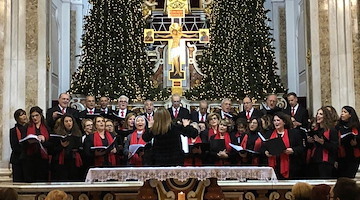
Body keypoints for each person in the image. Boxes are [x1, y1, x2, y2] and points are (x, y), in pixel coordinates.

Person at [265, 112, 304, 179]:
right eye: (274, 121)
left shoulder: (293, 133)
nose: (276, 122)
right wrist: (266, 152)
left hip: (290, 166)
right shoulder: (269, 133)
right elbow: (263, 147)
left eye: (278, 120)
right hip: (274, 165)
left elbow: (301, 148)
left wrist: (292, 150)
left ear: (284, 122)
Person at [306, 107, 338, 178]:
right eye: (317, 114)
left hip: (325, 161)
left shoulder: (331, 130)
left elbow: (335, 147)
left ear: (326, 116)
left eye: (320, 114)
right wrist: (309, 141)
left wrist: (322, 142)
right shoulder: (315, 130)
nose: (318, 115)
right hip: (314, 159)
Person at [49, 114, 83, 181]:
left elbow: (80, 148)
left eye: (70, 121)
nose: (69, 123)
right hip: (61, 163)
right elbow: (51, 150)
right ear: (63, 123)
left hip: (73, 161)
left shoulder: (78, 133)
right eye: (66, 121)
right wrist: (61, 146)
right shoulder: (56, 134)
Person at [22, 106, 50, 182]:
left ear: (41, 115)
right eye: (33, 116)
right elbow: (22, 142)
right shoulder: (27, 127)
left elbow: (51, 143)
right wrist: (29, 141)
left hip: (43, 158)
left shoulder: (46, 127)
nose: (35, 118)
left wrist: (44, 140)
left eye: (36, 115)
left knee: (42, 179)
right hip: (30, 158)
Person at [336, 106, 360, 178]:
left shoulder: (357, 127)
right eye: (342, 112)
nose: (342, 114)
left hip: (353, 156)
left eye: (345, 112)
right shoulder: (338, 126)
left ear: (350, 115)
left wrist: (356, 144)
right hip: (341, 156)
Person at [9, 109, 27, 182]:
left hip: (27, 158)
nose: (24, 116)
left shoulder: (29, 128)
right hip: (17, 158)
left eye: (24, 114)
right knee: (18, 180)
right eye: (21, 115)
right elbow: (14, 146)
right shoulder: (13, 130)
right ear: (17, 118)